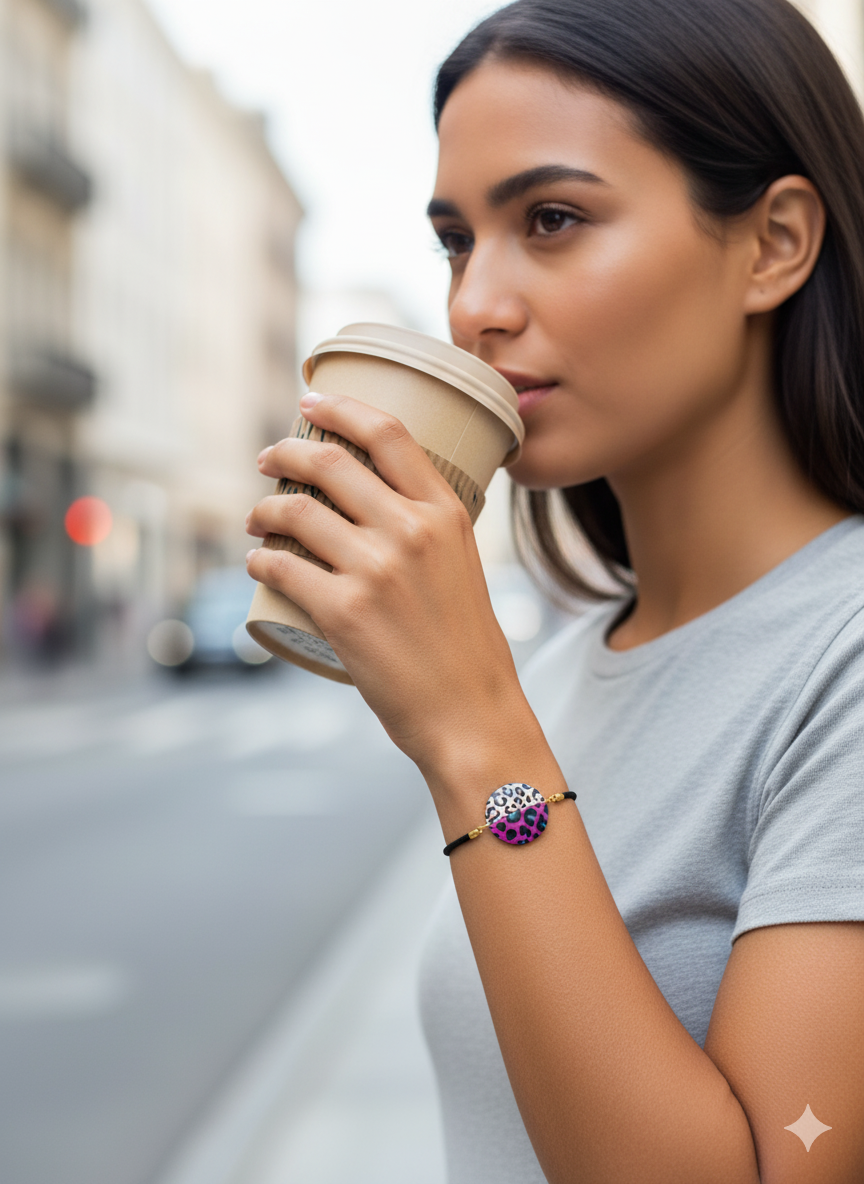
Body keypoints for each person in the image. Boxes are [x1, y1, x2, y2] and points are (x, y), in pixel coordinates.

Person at [245, 0, 864, 1179]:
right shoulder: (577, 657)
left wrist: (474, 736)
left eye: (553, 219)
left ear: (774, 244)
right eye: (456, 240)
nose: (476, 304)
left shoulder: (843, 656)